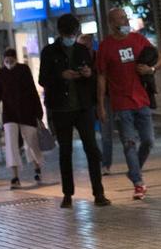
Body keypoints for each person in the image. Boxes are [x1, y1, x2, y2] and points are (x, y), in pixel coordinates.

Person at [40, 13, 109, 207]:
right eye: (68, 33)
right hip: (61, 109)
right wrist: (61, 76)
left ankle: (99, 193)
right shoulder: (49, 52)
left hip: (83, 107)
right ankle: (68, 194)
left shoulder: (82, 50)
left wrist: (88, 74)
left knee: (92, 150)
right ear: (61, 33)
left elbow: (94, 76)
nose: (71, 36)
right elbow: (43, 79)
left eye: (74, 33)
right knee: (65, 151)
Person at [95, 7, 157, 199]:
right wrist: (101, 106)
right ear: (111, 23)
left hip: (142, 100)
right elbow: (101, 77)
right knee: (129, 144)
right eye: (120, 19)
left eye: (125, 18)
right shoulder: (105, 47)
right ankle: (138, 183)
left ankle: (133, 171)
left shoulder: (138, 39)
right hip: (121, 104)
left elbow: (158, 57)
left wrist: (150, 69)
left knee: (148, 141)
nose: (124, 21)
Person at [0, 44, 46, 190]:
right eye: (6, 59)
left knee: (31, 142)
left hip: (26, 113)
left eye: (10, 59)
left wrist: (38, 114)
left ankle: (37, 168)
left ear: (15, 58)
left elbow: (32, 92)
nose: (8, 62)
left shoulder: (23, 70)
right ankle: (15, 176)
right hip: (11, 115)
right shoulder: (1, 74)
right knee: (11, 144)